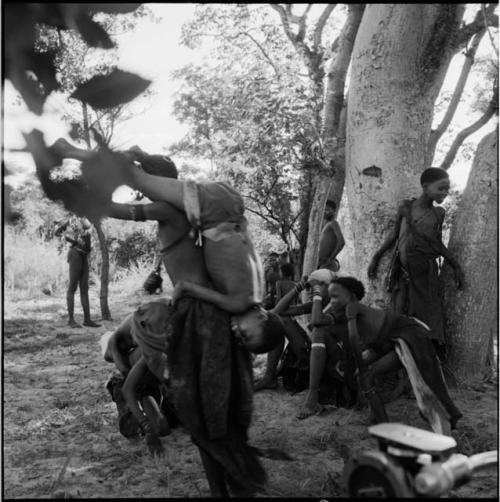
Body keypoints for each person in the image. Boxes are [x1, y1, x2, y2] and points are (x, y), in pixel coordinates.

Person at [47, 138, 287, 497]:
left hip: (199, 315)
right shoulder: (180, 212)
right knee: (204, 420)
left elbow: (115, 209)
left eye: (146, 183)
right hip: (198, 312)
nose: (141, 191)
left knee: (207, 418)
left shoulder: (170, 211)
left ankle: (229, 483)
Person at [301, 276, 462, 435]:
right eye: (330, 297)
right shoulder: (341, 314)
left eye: (336, 296)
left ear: (351, 296)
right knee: (362, 377)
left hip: (409, 338)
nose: (332, 301)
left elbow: (353, 337)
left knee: (424, 383)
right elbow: (316, 321)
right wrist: (316, 294)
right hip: (387, 344)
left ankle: (386, 425)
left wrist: (362, 365)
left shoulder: (353, 307)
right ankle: (376, 418)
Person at [367, 168, 464, 358]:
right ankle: (399, 360)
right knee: (400, 317)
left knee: (427, 317)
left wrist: (456, 265)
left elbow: (436, 243)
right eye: (441, 189)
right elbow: (395, 236)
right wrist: (376, 257)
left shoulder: (438, 213)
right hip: (403, 272)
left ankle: (427, 359)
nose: (444, 193)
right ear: (425, 186)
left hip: (425, 273)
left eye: (447, 190)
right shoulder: (406, 207)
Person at [100, 306, 177, 447]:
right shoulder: (146, 353)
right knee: (134, 429)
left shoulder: (171, 343)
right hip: (128, 380)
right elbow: (128, 389)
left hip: (150, 379)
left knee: (168, 425)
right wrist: (145, 424)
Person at [54, 215, 101, 328]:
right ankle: (71, 321)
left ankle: (87, 320)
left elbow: (87, 228)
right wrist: (71, 240)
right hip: (75, 254)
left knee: (84, 288)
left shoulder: (85, 218)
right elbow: (57, 233)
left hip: (84, 256)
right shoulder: (71, 219)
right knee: (73, 287)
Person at [318, 199, 345, 271]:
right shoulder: (326, 225)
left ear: (334, 211)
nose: (324, 212)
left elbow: (342, 242)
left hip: (328, 265)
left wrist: (331, 258)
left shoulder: (333, 223)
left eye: (327, 210)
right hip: (321, 265)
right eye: (324, 209)